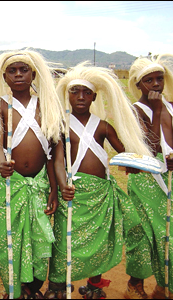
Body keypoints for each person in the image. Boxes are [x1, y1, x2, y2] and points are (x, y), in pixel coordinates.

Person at [48, 63, 152, 299]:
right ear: (68, 95)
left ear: (94, 97)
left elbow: (123, 152)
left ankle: (94, 284)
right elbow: (57, 160)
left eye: (86, 93)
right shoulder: (62, 126)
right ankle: (57, 286)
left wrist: (133, 164)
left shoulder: (103, 127)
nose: (80, 97)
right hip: (73, 192)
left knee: (99, 241)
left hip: (100, 194)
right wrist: (64, 186)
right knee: (66, 239)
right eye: (75, 91)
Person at [0, 49, 63, 299]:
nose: (18, 75)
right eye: (12, 70)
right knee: (8, 237)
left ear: (33, 74)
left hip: (40, 184)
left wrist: (54, 188)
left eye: (24, 70)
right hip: (10, 184)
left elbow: (52, 152)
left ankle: (34, 288)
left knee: (39, 237)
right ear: (4, 76)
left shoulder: (47, 104)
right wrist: (1, 164)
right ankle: (15, 289)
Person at [125, 54, 173, 299]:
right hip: (147, 182)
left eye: (160, 79)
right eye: (149, 80)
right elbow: (152, 147)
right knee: (145, 234)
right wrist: (156, 111)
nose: (156, 84)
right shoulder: (135, 111)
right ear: (138, 85)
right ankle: (135, 285)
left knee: (171, 234)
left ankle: (164, 286)